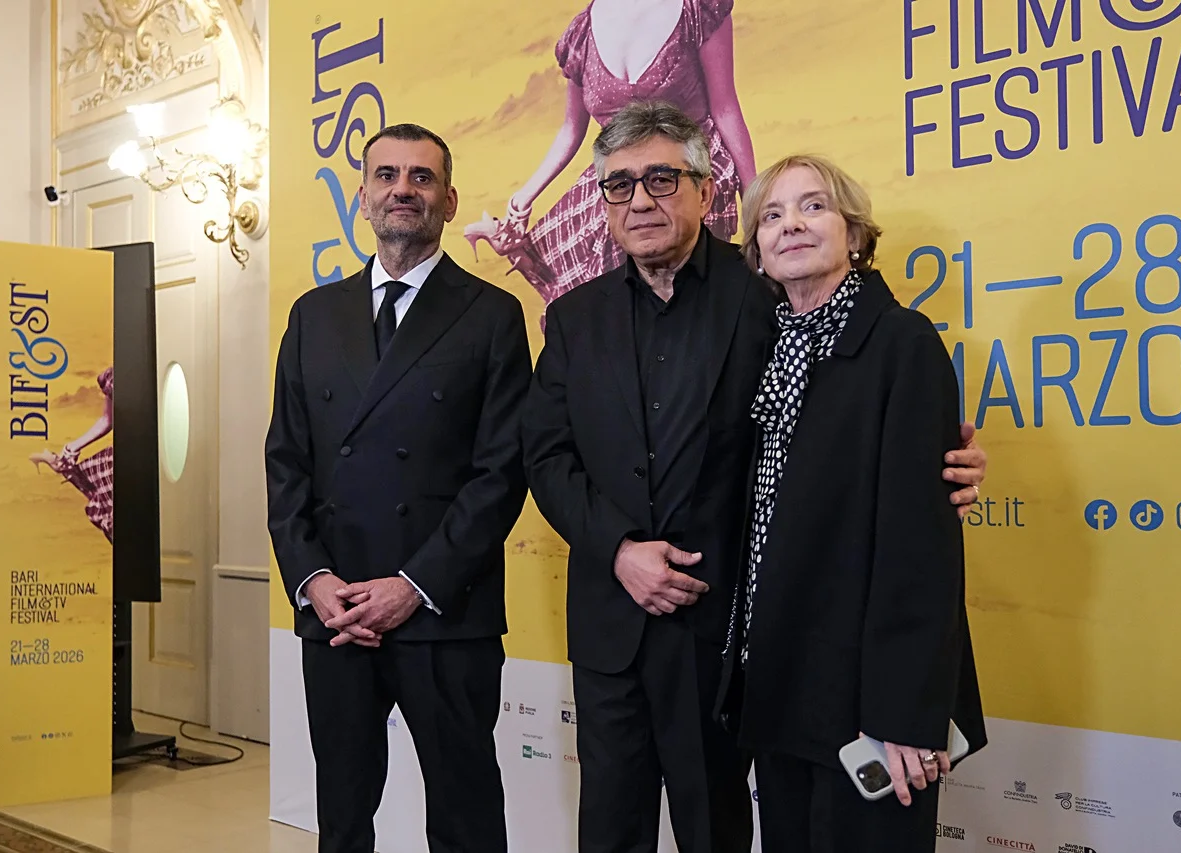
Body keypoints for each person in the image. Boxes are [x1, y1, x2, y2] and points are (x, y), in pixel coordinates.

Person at [521, 101, 987, 853]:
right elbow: (545, 454)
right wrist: (618, 550)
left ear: (706, 190)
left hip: (728, 632)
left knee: (719, 828)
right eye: (620, 185)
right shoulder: (574, 317)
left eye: (662, 179)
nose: (641, 201)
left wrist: (943, 464)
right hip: (612, 625)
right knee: (608, 826)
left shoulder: (768, 297)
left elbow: (845, 421)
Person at [265, 124, 532, 853]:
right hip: (338, 609)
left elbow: (501, 472)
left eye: (421, 177)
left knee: (465, 817)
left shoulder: (492, 315)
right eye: (386, 175)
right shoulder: (313, 315)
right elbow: (286, 462)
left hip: (446, 609)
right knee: (343, 816)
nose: (402, 190)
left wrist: (414, 585)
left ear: (449, 199)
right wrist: (314, 580)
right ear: (363, 196)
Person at [717, 155, 987, 852]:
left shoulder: (902, 344)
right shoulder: (769, 348)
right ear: (756, 250)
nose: (791, 225)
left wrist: (903, 715)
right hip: (779, 684)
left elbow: (920, 550)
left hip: (866, 702)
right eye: (772, 215)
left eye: (813, 206)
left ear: (855, 234)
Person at [463, 0, 755, 307]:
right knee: (608, 301)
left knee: (687, 298)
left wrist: (756, 203)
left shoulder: (695, 9)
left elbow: (726, 109)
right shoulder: (580, 36)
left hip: (688, 174)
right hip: (622, 182)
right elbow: (571, 130)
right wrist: (522, 199)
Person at [30, 366, 114, 543]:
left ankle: (59, 463)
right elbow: (107, 420)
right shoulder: (115, 376)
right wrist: (71, 448)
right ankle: (61, 463)